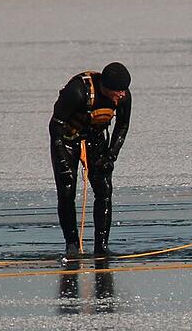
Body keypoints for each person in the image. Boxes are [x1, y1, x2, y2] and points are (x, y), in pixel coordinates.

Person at [49, 62, 132, 258]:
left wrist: (111, 156)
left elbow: (122, 126)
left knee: (104, 189)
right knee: (67, 190)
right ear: (105, 86)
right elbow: (55, 126)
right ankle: (71, 245)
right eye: (118, 91)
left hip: (95, 139)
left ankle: (101, 246)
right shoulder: (78, 91)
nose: (121, 95)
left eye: (124, 90)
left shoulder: (123, 97)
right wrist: (62, 161)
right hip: (67, 141)